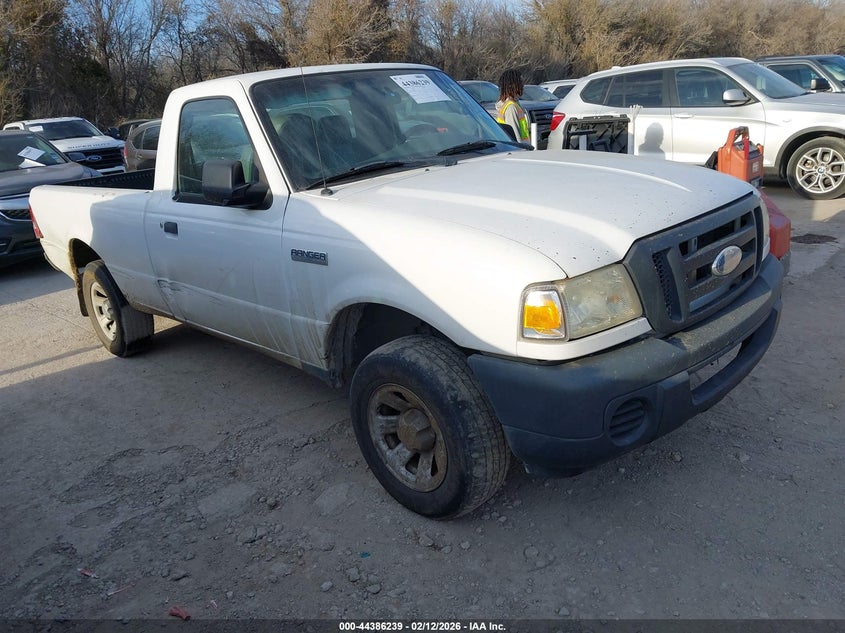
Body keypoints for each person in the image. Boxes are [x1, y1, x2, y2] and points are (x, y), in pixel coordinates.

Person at [496, 69, 530, 143]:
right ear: (513, 85)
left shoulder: (514, 104)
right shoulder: (511, 108)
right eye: (520, 82)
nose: (523, 85)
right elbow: (515, 137)